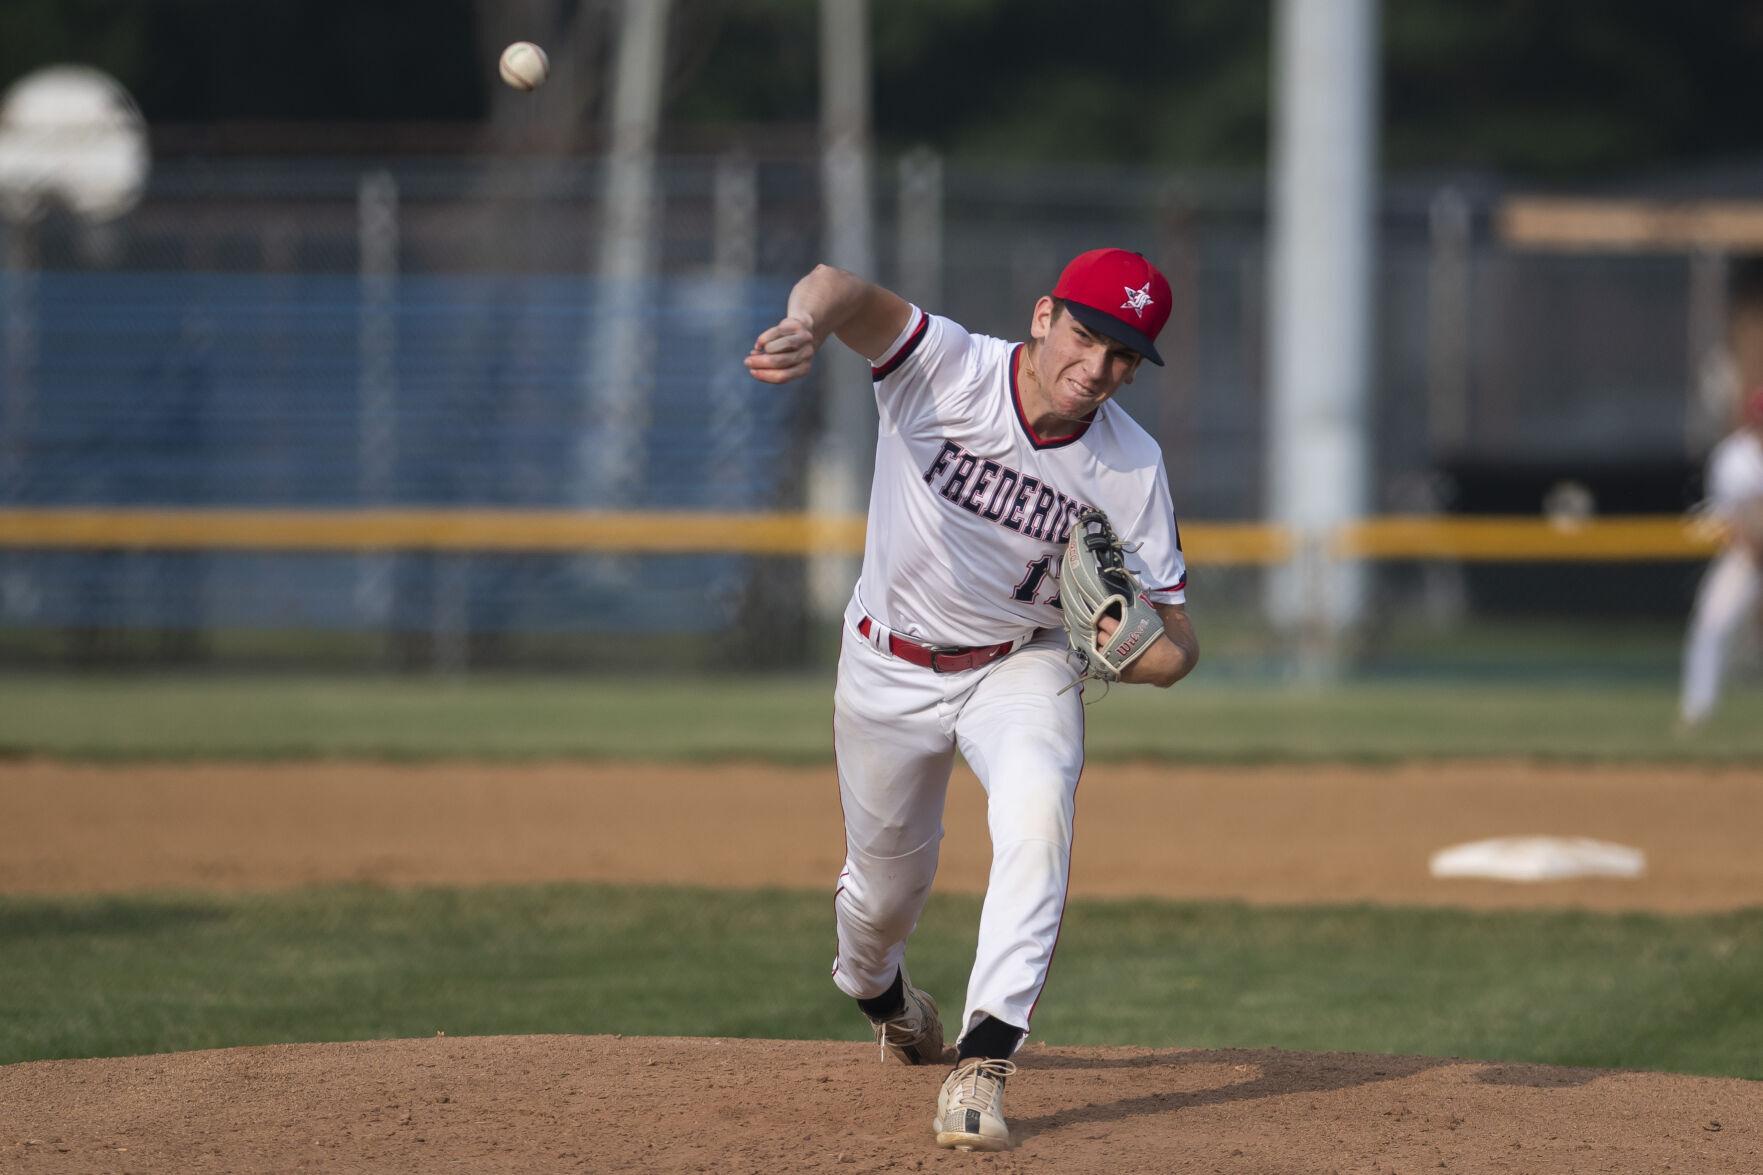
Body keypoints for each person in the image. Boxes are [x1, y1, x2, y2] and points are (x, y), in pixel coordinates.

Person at [744, 249, 1199, 1151]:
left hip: (1020, 662)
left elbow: (1179, 643)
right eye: (1086, 335)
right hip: (887, 663)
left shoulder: (1131, 464)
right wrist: (804, 321)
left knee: (1036, 809)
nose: (1097, 368)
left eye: (1123, 356)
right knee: (881, 898)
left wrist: (1136, 652)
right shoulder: (946, 364)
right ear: (1042, 316)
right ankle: (882, 994)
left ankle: (983, 1061)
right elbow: (843, 288)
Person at [1679, 386, 1763, 730]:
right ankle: (1697, 713)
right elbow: (1734, 522)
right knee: (1711, 625)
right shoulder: (1735, 456)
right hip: (1744, 556)